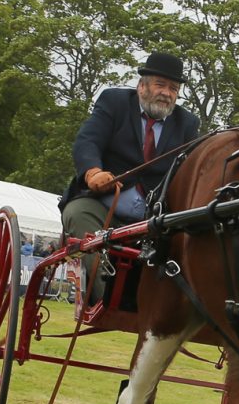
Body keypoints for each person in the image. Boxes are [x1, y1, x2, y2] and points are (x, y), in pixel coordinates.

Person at [59, 52, 200, 301]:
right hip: (101, 205)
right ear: (141, 86)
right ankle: (107, 298)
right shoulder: (114, 101)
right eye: (161, 84)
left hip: (153, 220)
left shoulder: (187, 123)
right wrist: (93, 172)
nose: (167, 93)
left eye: (174, 88)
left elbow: (190, 170)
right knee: (78, 214)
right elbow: (88, 140)